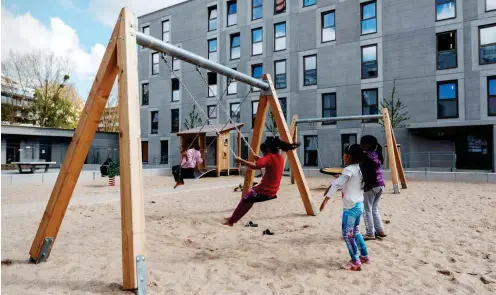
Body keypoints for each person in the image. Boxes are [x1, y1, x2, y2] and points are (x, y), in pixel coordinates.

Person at [222, 137, 300, 226]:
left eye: (263, 153)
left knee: (244, 200)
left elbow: (255, 166)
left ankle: (231, 222)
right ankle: (234, 218)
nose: (263, 155)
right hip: (272, 190)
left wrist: (241, 161)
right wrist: (260, 159)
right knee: (249, 201)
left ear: (268, 150)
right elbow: (268, 163)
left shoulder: (269, 157)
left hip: (265, 191)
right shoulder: (279, 157)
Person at [320, 144, 369, 271]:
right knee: (356, 231)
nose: (343, 155)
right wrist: (331, 185)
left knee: (347, 234)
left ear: (350, 156)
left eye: (345, 153)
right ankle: (364, 256)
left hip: (351, 208)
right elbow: (340, 182)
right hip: (359, 205)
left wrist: (325, 201)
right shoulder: (358, 168)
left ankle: (355, 261)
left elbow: (337, 185)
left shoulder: (348, 170)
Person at [360, 135, 387, 240]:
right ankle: (380, 230)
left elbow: (362, 171)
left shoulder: (366, 156)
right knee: (374, 208)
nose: (360, 145)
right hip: (380, 184)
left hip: (371, 185)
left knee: (367, 210)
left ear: (366, 145)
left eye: (362, 143)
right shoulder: (376, 154)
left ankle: (370, 233)